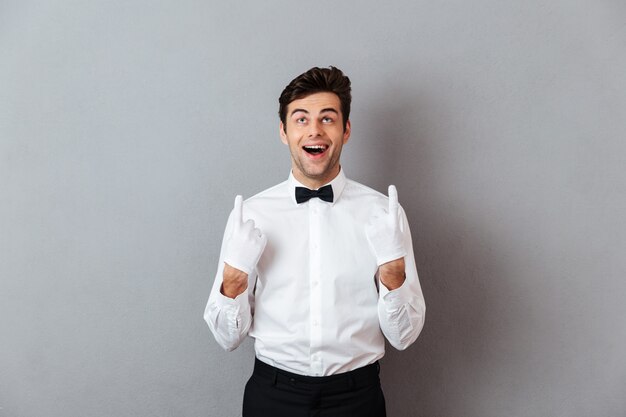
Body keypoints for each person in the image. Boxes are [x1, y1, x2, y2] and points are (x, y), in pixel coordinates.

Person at [204, 66, 426, 417]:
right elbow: (227, 339)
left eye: (327, 118)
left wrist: (394, 272)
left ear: (346, 130)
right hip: (273, 397)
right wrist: (233, 278)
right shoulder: (251, 215)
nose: (315, 130)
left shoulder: (384, 214)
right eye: (301, 119)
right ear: (284, 131)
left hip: (357, 398)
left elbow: (404, 336)